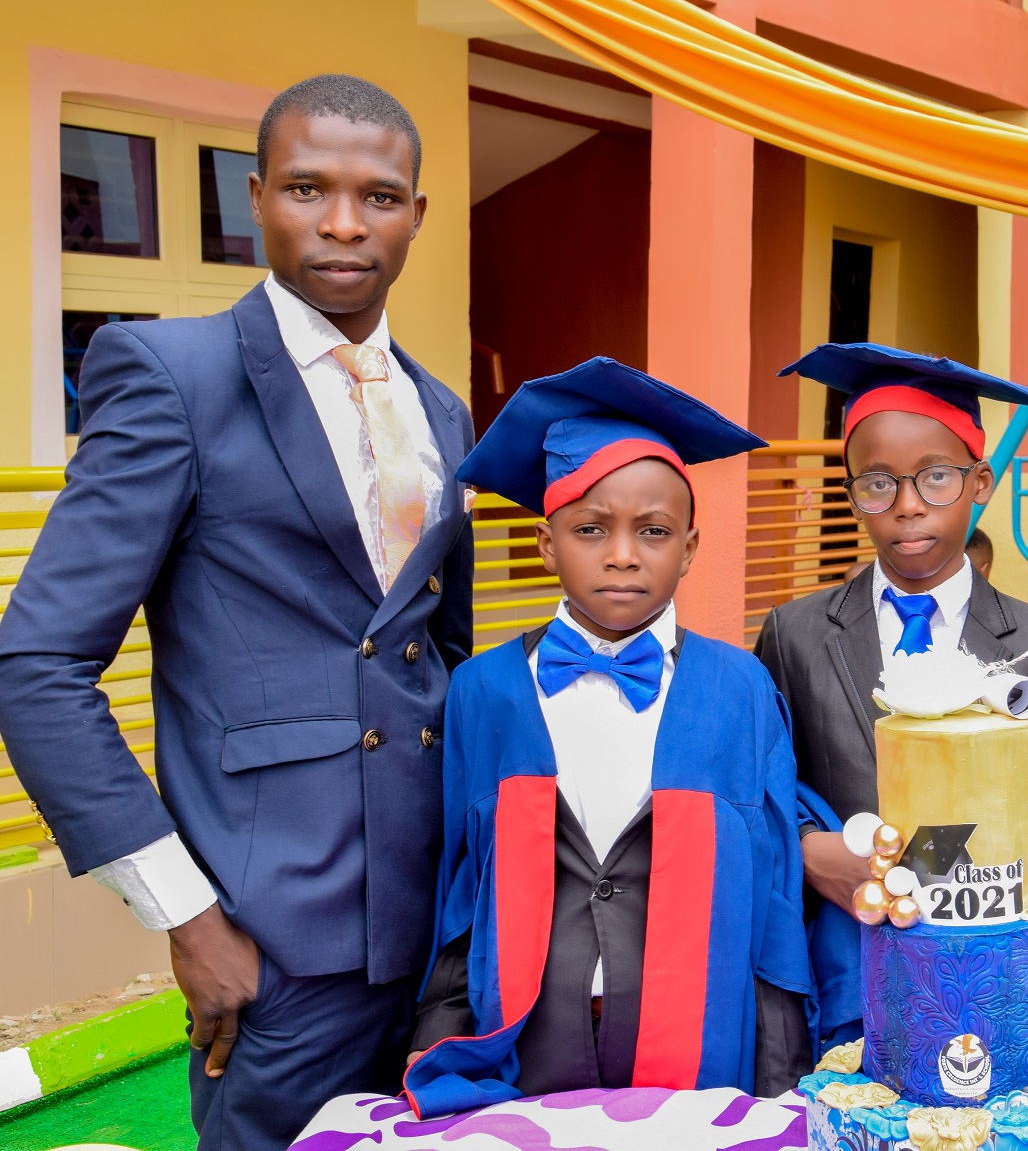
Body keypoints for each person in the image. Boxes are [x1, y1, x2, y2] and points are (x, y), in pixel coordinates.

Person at [0, 76, 473, 1150]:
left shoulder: (442, 409)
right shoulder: (173, 375)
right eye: (309, 188)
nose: (345, 223)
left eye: (380, 196)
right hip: (272, 947)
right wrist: (186, 915)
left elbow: (438, 658)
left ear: (417, 214)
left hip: (439, 937)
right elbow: (36, 664)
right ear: (256, 196)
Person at [404, 358, 812, 1116]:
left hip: (703, 1043)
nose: (622, 553)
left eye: (653, 531)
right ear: (545, 544)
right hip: (528, 1041)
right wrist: (441, 1034)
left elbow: (774, 891)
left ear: (689, 549)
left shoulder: (740, 688)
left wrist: (781, 1080)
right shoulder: (484, 691)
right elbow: (461, 884)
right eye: (590, 529)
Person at [754, 342, 1028, 1049]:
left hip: (996, 973)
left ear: (981, 483)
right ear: (852, 495)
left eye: (936, 477)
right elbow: (759, 788)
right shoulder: (795, 634)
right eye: (877, 484)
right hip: (846, 967)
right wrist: (809, 850)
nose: (907, 506)